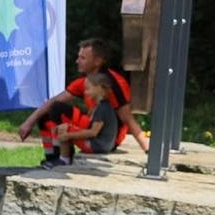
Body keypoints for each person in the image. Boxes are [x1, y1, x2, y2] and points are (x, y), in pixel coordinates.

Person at [18, 37, 147, 166]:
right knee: (46, 114)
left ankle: (64, 158)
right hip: (93, 127)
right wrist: (29, 122)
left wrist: (146, 149)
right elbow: (54, 101)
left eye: (82, 58)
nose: (77, 61)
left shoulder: (112, 84)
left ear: (97, 61)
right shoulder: (85, 82)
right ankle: (52, 157)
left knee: (58, 112)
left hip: (107, 139)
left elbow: (128, 119)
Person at [49, 73, 121, 164]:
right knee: (66, 127)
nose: (85, 92)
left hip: (98, 146)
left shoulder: (103, 108)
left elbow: (93, 132)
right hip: (102, 145)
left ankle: (64, 160)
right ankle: (65, 157)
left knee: (64, 129)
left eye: (88, 89)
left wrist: (69, 135)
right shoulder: (100, 106)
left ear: (99, 88)